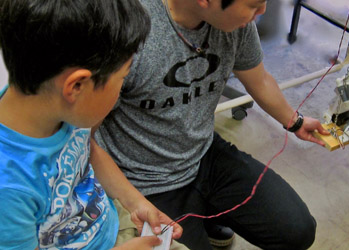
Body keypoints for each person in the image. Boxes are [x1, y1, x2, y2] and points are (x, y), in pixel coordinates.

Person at [94, 0, 331, 249]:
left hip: (204, 155)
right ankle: (201, 215)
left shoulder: (238, 24)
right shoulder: (129, 32)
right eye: (254, 5)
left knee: (298, 231)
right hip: (145, 181)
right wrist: (134, 203)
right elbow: (84, 140)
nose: (262, 12)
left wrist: (295, 122)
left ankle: (206, 212)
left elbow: (259, 79)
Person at [0, 0, 190, 249]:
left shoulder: (54, 106)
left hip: (110, 220)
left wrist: (137, 203)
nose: (123, 85)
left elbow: (87, 150)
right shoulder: (10, 187)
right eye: (122, 78)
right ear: (77, 86)